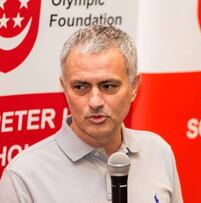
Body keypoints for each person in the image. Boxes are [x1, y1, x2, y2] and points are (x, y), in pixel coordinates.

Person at [0, 25, 183, 203]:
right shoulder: (23, 178)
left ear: (134, 86)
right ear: (64, 88)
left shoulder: (158, 152)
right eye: (81, 87)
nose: (95, 102)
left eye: (108, 86)